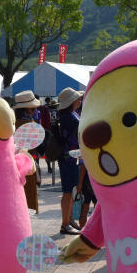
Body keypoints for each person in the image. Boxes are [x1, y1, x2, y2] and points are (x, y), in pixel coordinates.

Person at [56, 87, 83, 234]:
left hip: (69, 157)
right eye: (77, 98)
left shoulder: (68, 115)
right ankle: (65, 224)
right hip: (69, 158)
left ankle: (69, 220)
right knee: (68, 191)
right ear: (72, 101)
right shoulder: (70, 117)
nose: (80, 100)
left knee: (71, 190)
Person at [12, 91, 41, 211]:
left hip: (14, 166)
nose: (34, 110)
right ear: (28, 109)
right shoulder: (30, 125)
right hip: (27, 165)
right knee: (28, 199)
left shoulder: (12, 123)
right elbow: (35, 146)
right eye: (33, 108)